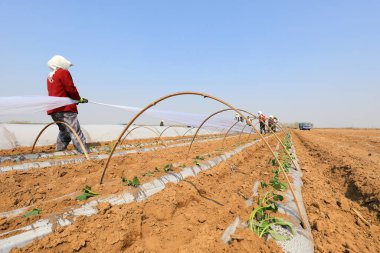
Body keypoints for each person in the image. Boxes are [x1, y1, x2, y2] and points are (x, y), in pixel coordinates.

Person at [46, 55, 90, 154]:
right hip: (65, 109)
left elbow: (57, 91)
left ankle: (59, 152)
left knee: (64, 132)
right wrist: (78, 99)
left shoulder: (50, 76)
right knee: (75, 132)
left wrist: (77, 99)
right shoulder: (63, 72)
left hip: (54, 110)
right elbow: (70, 88)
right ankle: (84, 152)